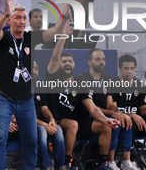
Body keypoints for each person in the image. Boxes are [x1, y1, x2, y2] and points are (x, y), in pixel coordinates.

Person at [0, 0, 71, 170]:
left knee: (31, 142)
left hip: (26, 101)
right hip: (5, 100)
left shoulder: (30, 38)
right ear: (10, 21)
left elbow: (54, 31)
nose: (21, 21)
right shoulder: (4, 38)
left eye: (24, 18)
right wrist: (6, 13)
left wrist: (64, 17)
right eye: (17, 18)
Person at [46, 32, 119, 170]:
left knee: (105, 126)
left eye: (70, 61)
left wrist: (106, 119)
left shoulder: (80, 83)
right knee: (73, 124)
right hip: (59, 121)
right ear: (59, 65)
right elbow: (55, 57)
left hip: (80, 123)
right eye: (64, 61)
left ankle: (102, 163)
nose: (67, 63)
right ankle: (67, 163)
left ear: (74, 65)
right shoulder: (53, 79)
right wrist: (63, 36)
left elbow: (92, 108)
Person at [74, 49, 137, 170]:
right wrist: (113, 113)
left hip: (102, 116)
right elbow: (92, 108)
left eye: (103, 59)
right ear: (89, 62)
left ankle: (126, 161)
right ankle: (109, 162)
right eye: (97, 59)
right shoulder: (81, 78)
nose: (101, 62)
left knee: (124, 120)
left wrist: (119, 113)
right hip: (85, 119)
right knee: (113, 125)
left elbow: (110, 104)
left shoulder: (107, 78)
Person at [110, 55, 146, 170]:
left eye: (132, 68)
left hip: (138, 120)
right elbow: (112, 109)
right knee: (128, 123)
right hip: (122, 120)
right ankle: (128, 160)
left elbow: (143, 109)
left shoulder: (138, 85)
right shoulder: (113, 83)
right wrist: (132, 115)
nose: (129, 71)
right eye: (126, 68)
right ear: (120, 69)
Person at [34, 59, 66, 170]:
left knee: (58, 129)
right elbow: (26, 115)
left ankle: (61, 165)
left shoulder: (40, 87)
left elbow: (44, 108)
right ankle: (46, 166)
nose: (34, 70)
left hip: (41, 123)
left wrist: (51, 120)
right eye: (32, 68)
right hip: (27, 124)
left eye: (36, 68)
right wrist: (44, 125)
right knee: (42, 131)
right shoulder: (22, 88)